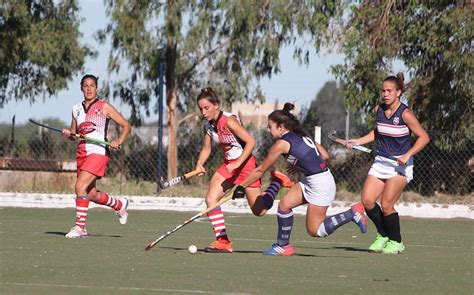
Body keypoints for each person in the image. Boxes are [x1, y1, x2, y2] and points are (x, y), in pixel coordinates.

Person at [232, 102, 367, 256]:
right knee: (284, 206)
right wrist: (300, 163)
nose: (268, 130)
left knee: (315, 230)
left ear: (281, 127)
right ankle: (283, 246)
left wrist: (242, 186)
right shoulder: (301, 134)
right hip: (314, 179)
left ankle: (352, 213)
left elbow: (260, 170)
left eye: (270, 127)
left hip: (320, 185)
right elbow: (324, 156)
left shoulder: (281, 144)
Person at [195, 87, 293, 253]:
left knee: (259, 211)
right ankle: (223, 241)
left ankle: (276, 182)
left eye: (207, 108)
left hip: (246, 165)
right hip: (229, 165)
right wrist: (199, 164)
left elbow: (251, 141)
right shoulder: (208, 126)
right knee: (211, 199)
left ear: (216, 105)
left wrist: (238, 162)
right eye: (201, 109)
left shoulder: (229, 121)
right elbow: (206, 149)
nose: (203, 112)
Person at [345, 73, 430, 254]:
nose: (385, 94)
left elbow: (424, 137)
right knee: (367, 200)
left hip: (400, 165)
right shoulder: (379, 110)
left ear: (398, 92)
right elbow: (378, 133)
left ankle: (396, 242)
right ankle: (383, 235)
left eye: (389, 91)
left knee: (386, 204)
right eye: (383, 91)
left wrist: (407, 155)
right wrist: (357, 141)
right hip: (381, 161)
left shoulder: (405, 114)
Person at [61, 74, 131, 238]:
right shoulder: (76, 109)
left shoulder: (104, 106)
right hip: (82, 153)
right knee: (90, 193)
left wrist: (118, 140)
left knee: (79, 187)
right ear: (81, 88)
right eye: (86, 86)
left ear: (96, 88)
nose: (89, 89)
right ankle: (120, 205)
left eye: (92, 85)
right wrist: (69, 134)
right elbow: (74, 134)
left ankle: (80, 228)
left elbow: (126, 125)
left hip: (98, 152)